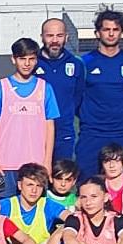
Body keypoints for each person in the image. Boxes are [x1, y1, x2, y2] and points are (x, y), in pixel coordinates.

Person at [0, 37, 58, 196]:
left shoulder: (45, 88)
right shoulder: (1, 87)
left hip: (35, 164)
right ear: (13, 59)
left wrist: (47, 161)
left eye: (31, 59)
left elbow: (50, 127)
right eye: (22, 59)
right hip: (5, 164)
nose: (27, 63)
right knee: (3, 211)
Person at [77, 10, 123, 178]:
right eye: (106, 29)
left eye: (115, 29)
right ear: (97, 33)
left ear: (121, 33)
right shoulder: (84, 63)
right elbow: (75, 96)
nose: (110, 33)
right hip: (92, 133)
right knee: (88, 183)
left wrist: (122, 112)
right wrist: (89, 114)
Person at [34, 18, 85, 163]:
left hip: (64, 133)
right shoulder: (32, 62)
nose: (55, 40)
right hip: (36, 133)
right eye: (50, 36)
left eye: (59, 36)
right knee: (35, 179)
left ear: (66, 37)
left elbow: (77, 97)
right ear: (42, 37)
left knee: (61, 179)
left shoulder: (76, 64)